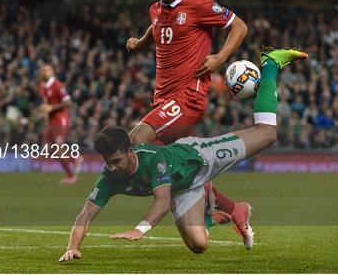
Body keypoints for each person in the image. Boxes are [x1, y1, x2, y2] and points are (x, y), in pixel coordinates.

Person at [59, 48, 307, 262]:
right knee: (199, 246)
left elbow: (163, 201)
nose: (112, 168)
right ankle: (211, 201)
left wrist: (140, 229)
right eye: (108, 163)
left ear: (129, 151)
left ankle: (271, 63)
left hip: (200, 157)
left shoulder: (152, 159)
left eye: (116, 161)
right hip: (183, 187)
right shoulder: (109, 177)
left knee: (266, 134)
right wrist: (73, 247)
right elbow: (86, 214)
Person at [125, 0, 251, 240]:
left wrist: (220, 57)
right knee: (175, 162)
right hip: (163, 100)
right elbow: (155, 29)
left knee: (135, 141)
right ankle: (230, 208)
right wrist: (139, 42)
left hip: (187, 99)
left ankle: (170, 202)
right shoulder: (156, 10)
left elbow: (239, 26)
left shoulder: (199, 5)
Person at [39, 64, 83, 184]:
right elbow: (45, 103)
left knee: (58, 149)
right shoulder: (42, 86)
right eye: (42, 71)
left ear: (51, 72)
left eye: (45, 71)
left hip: (61, 120)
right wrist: (44, 113)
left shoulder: (57, 85)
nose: (43, 73)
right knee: (47, 150)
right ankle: (75, 159)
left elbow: (68, 102)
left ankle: (71, 176)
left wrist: (52, 107)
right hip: (51, 121)